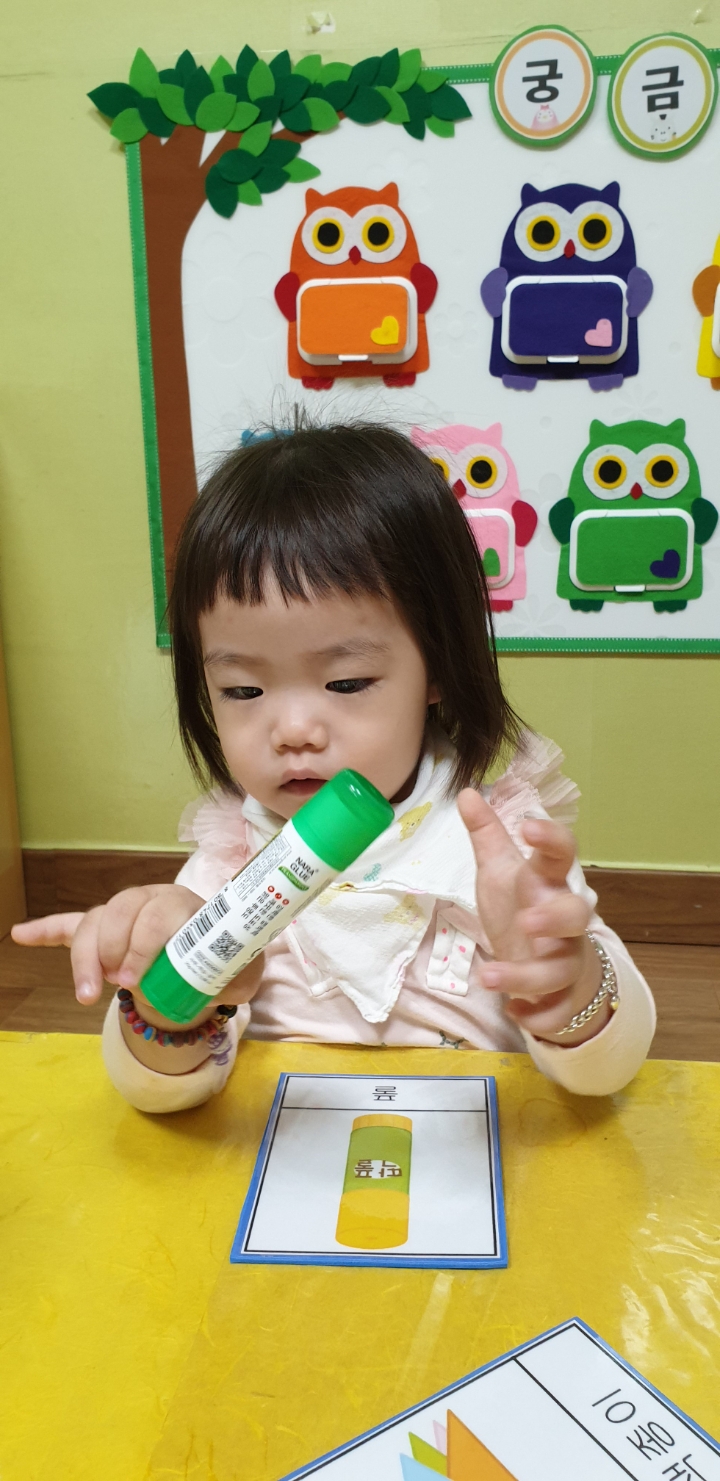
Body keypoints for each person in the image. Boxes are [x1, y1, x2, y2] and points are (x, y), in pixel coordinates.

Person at [12, 421, 655, 1111]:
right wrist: (168, 1008)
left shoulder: (501, 851)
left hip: (482, 1149)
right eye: (243, 691)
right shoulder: (229, 866)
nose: (292, 730)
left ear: (439, 666)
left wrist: (569, 988)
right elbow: (157, 1093)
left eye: (345, 683)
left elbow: (610, 1070)